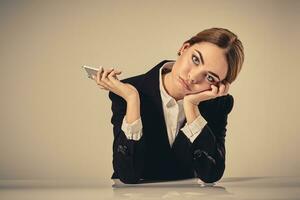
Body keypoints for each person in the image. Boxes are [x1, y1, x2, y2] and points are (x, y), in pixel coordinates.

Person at [91, 27, 244, 184]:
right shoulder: (128, 91)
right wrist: (132, 99)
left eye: (210, 77)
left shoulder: (218, 104)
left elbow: (211, 174)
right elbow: (127, 175)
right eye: (196, 60)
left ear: (219, 85)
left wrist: (192, 107)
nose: (193, 77)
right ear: (184, 48)